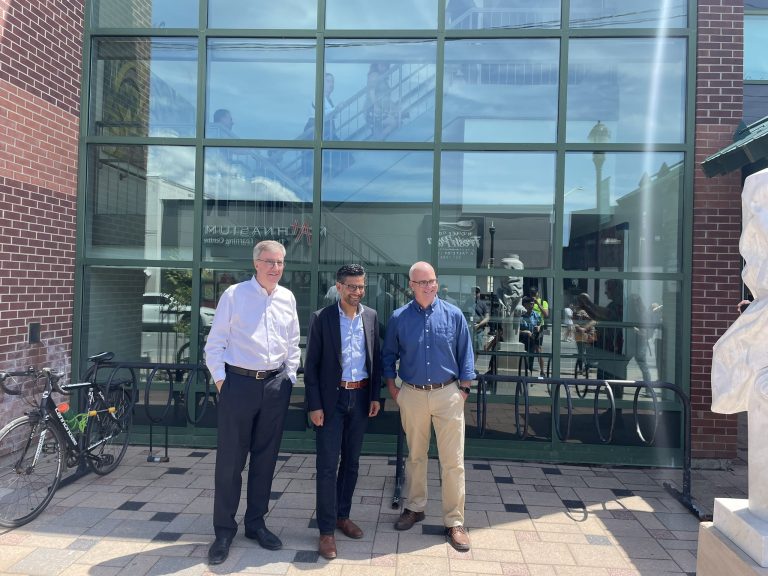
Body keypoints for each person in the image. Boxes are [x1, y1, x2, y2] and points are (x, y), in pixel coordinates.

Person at [203, 240, 301, 565]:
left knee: (266, 460)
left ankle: (256, 524)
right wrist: (222, 382)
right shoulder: (234, 295)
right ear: (256, 263)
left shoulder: (287, 298)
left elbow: (292, 343)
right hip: (239, 385)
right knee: (230, 462)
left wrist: (288, 377)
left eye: (280, 262)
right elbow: (214, 343)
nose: (275, 267)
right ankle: (223, 531)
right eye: (269, 261)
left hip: (274, 386)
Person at [382, 262, 475, 552]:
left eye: (432, 281)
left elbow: (466, 354)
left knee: (453, 462)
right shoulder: (399, 317)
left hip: (448, 394)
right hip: (411, 394)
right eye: (422, 282)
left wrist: (463, 390)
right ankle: (415, 507)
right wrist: (394, 390)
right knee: (416, 456)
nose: (428, 286)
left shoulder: (454, 315)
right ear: (411, 285)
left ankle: (454, 522)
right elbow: (388, 355)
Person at [304, 264, 382, 560]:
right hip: (331, 401)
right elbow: (310, 366)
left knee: (351, 464)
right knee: (326, 466)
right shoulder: (322, 319)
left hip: (360, 398)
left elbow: (375, 359)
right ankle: (325, 532)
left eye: (361, 287)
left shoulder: (371, 316)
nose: (357, 292)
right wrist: (314, 405)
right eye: (352, 287)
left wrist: (375, 396)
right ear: (339, 287)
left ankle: (342, 516)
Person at [518, 296, 542, 374]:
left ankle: (529, 374)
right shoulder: (520, 316)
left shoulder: (536, 315)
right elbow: (515, 330)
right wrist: (524, 332)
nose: (532, 306)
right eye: (530, 304)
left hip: (532, 338)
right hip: (522, 339)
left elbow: (541, 324)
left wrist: (539, 327)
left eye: (533, 304)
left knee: (531, 357)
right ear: (525, 305)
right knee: (523, 358)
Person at [529, 286, 549, 375]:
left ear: (537, 293)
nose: (533, 295)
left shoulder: (543, 302)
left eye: (534, 293)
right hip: (529, 327)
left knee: (538, 349)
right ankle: (529, 368)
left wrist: (538, 303)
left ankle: (542, 370)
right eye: (531, 293)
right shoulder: (528, 302)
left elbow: (546, 314)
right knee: (530, 349)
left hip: (539, 327)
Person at [471, 286, 490, 361]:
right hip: (469, 330)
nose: (475, 294)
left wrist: (479, 325)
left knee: (478, 349)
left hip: (479, 330)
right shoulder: (467, 303)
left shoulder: (483, 304)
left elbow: (487, 318)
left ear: (479, 293)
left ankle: (473, 366)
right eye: (473, 291)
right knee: (468, 349)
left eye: (477, 292)